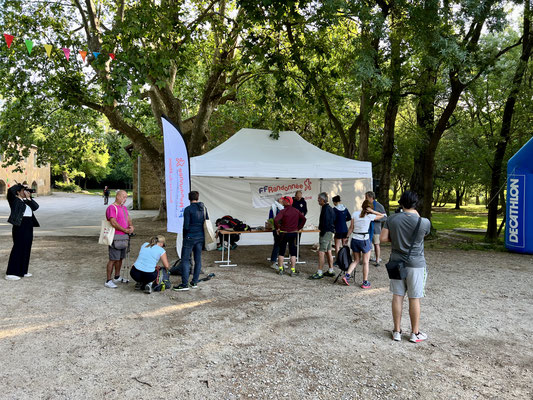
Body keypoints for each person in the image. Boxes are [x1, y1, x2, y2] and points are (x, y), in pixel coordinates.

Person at [380, 191, 431, 343]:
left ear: (401, 203)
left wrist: (396, 239)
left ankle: (396, 331)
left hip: (396, 262)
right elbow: (422, 236)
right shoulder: (424, 222)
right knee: (414, 298)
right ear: (416, 204)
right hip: (416, 264)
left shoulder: (392, 218)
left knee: (397, 296)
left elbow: (382, 238)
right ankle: (414, 333)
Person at [343, 199, 385, 288]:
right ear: (369, 208)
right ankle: (365, 282)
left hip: (355, 239)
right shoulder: (370, 216)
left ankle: (347, 275)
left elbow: (351, 228)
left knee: (356, 260)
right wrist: (372, 211)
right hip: (364, 240)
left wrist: (347, 237)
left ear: (362, 206)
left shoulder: (355, 214)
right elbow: (383, 215)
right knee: (366, 262)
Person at [173, 191, 207, 291]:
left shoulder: (188, 209)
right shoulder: (204, 208)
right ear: (198, 197)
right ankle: (194, 282)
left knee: (185, 260)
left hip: (189, 237)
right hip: (200, 237)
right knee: (198, 260)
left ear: (189, 198)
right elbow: (206, 223)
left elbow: (186, 226)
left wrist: (184, 237)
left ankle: (184, 284)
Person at [5, 183, 39, 280]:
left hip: (28, 225)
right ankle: (11, 273)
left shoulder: (26, 201)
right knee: (18, 247)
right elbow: (10, 191)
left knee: (27, 247)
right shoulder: (14, 200)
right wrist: (20, 185)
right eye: (23, 190)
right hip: (20, 226)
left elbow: (36, 207)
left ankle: (23, 270)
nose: (26, 192)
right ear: (18, 192)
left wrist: (28, 198)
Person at [105, 190, 134, 288]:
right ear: (117, 196)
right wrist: (125, 230)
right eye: (123, 197)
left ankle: (117, 277)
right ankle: (108, 280)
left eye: (126, 197)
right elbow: (113, 222)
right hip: (115, 236)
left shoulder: (124, 208)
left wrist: (131, 226)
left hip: (124, 237)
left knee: (121, 258)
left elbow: (128, 219)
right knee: (113, 259)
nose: (125, 199)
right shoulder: (111, 208)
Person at [274, 196, 306, 276]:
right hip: (293, 233)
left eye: (284, 201)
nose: (282, 202)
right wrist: (299, 228)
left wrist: (277, 228)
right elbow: (304, 219)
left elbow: (275, 220)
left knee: (281, 251)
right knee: (293, 252)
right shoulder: (296, 211)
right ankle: (292, 270)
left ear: (288, 202)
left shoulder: (283, 211)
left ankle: (281, 270)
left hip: (284, 233)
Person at [309, 192, 336, 279]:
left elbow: (326, 222)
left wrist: (322, 231)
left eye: (319, 199)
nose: (318, 201)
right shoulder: (329, 208)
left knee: (321, 252)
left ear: (323, 200)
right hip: (329, 232)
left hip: (326, 233)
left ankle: (319, 272)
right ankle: (331, 270)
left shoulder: (326, 209)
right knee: (328, 251)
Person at [365, 191, 387, 266]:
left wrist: (374, 218)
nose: (365, 199)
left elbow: (385, 217)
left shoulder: (379, 206)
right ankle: (367, 259)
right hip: (367, 228)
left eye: (366, 197)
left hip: (376, 228)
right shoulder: (366, 205)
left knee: (376, 244)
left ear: (371, 197)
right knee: (367, 244)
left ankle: (377, 260)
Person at [268, 198, 284, 267]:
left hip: (282, 229)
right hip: (277, 229)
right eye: (281, 199)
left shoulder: (282, 207)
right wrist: (276, 227)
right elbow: (271, 218)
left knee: (281, 245)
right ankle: (274, 262)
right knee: (277, 245)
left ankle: (280, 262)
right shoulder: (274, 207)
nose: (282, 200)